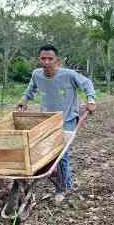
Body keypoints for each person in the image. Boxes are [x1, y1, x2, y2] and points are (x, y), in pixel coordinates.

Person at [16, 44, 96, 201]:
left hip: (67, 119)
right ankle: (54, 174)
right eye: (43, 58)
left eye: (50, 59)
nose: (46, 62)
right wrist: (24, 100)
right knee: (44, 152)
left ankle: (63, 188)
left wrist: (91, 99)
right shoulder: (37, 74)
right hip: (47, 120)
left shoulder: (68, 75)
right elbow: (30, 89)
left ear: (57, 60)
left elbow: (87, 84)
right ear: (38, 59)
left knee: (61, 155)